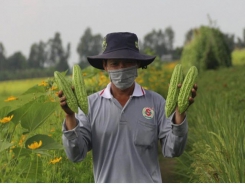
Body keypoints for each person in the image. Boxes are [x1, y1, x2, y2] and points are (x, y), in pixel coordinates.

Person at [59, 32, 197, 183]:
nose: (121, 68)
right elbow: (76, 154)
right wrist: (70, 116)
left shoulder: (155, 102)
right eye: (115, 63)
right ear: (105, 66)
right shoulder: (90, 105)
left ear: (137, 64)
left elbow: (173, 150)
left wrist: (179, 112)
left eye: (127, 62)